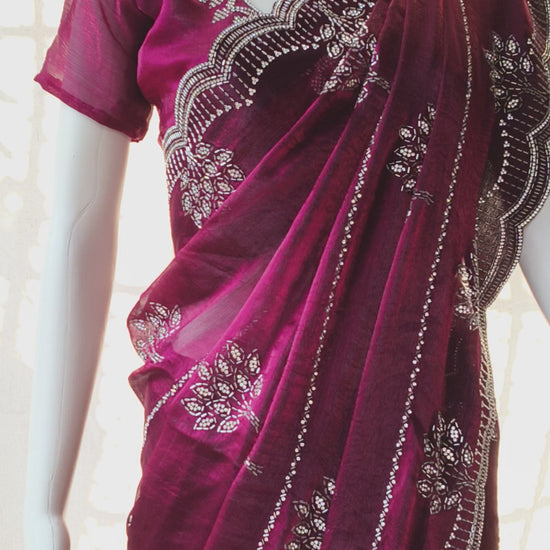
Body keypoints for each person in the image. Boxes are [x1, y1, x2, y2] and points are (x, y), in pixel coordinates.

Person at [25, 0, 550, 548]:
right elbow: (77, 228)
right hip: (218, 453)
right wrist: (44, 509)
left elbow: (540, 208)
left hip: (410, 456)